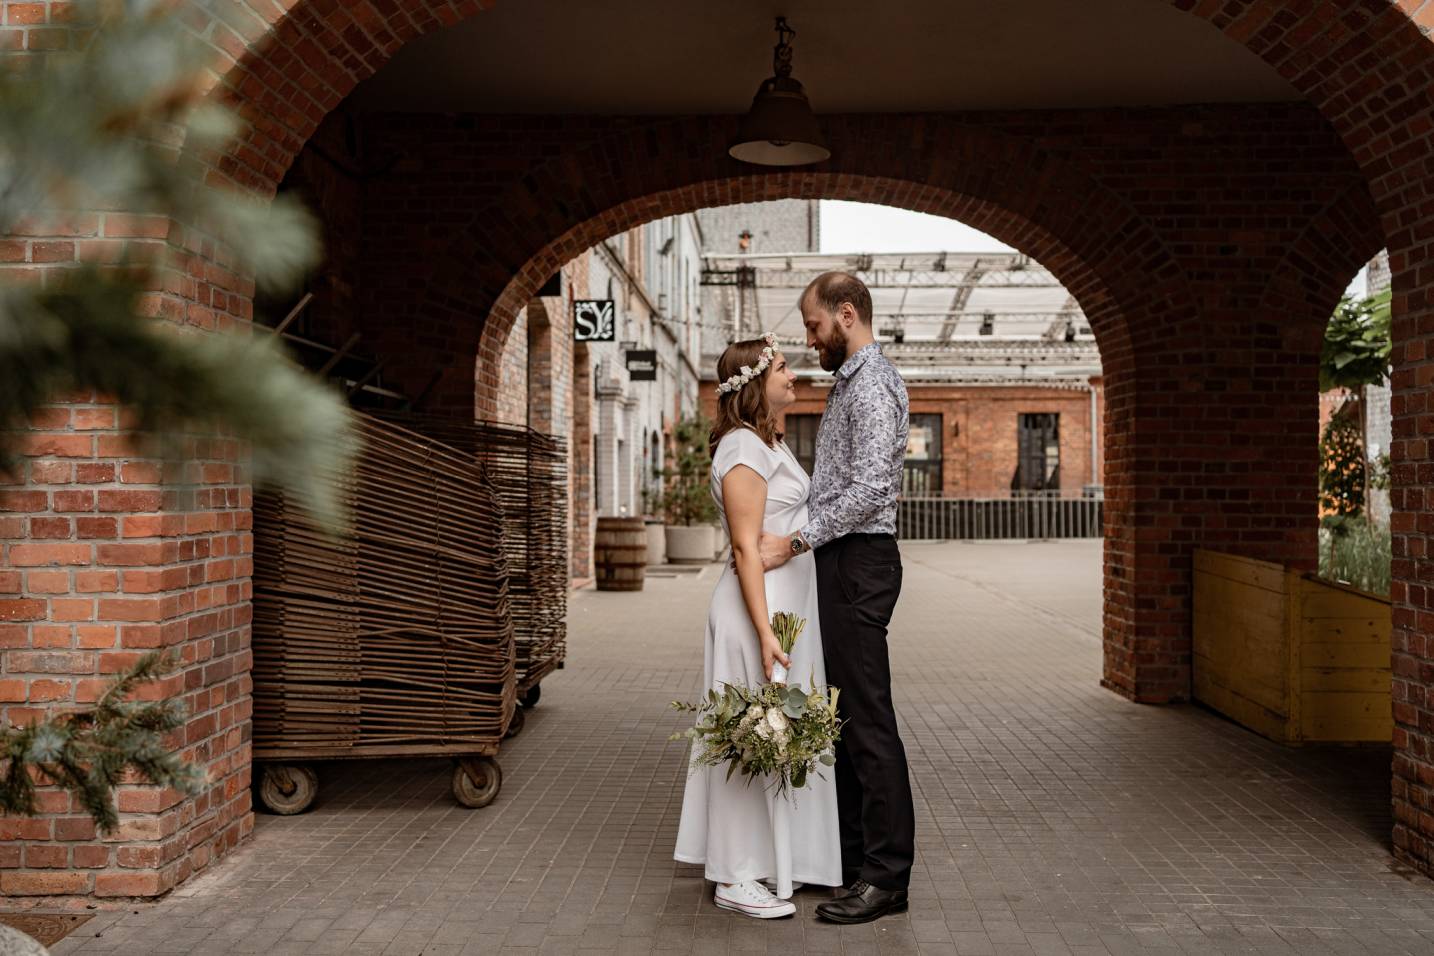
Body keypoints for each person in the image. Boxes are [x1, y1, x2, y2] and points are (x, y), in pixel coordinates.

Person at [757, 271, 916, 924]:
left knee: (868, 719)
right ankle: (855, 863)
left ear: (846, 315)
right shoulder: (851, 383)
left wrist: (795, 542)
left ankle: (886, 877)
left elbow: (873, 488)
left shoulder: (872, 383)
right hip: (843, 560)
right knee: (847, 717)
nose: (810, 338)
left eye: (815, 325)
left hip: (859, 562)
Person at [673, 332, 842, 919]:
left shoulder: (767, 441)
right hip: (756, 615)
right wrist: (766, 632)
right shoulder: (743, 448)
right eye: (782, 367)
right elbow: (746, 549)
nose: (793, 375)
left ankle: (781, 863)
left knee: (777, 737)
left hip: (782, 612)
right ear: (753, 383)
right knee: (748, 737)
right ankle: (735, 876)